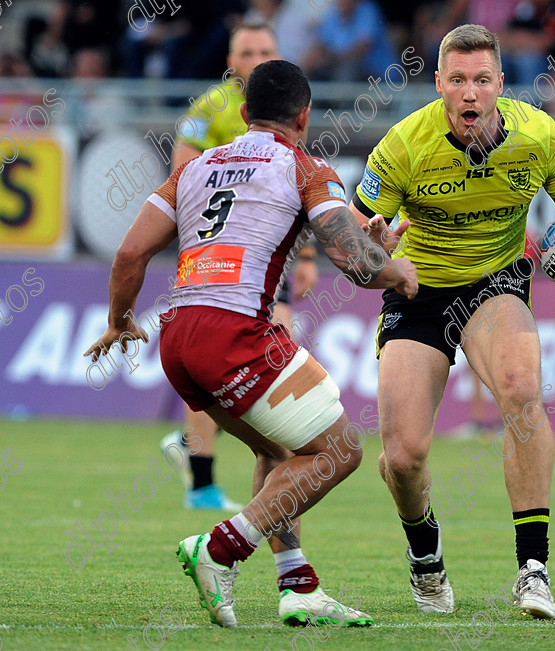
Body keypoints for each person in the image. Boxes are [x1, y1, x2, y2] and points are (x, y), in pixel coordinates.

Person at [84, 60, 418, 627]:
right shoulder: (306, 168)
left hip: (177, 338)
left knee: (277, 452)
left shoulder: (193, 168)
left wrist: (119, 320)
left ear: (243, 114)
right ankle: (218, 550)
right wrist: (398, 270)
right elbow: (357, 263)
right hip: (236, 333)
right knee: (339, 450)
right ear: (305, 116)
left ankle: (298, 585)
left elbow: (129, 255)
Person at [349, 24, 555, 619]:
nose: (470, 94)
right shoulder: (402, 146)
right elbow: (352, 243)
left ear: (500, 84)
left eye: (481, 81)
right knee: (402, 458)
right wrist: (373, 253)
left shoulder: (541, 138)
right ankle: (426, 557)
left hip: (495, 282)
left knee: (523, 389)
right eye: (457, 82)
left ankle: (533, 570)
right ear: (439, 85)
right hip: (417, 291)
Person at [161, 21, 319, 512]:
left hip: (270, 264)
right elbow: (180, 181)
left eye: (265, 50)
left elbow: (301, 189)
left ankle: (262, 467)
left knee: (273, 357)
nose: (255, 59)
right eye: (246, 51)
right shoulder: (209, 110)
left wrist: (308, 255)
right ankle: (202, 480)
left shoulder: (283, 105)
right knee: (215, 368)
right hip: (218, 262)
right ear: (231, 61)